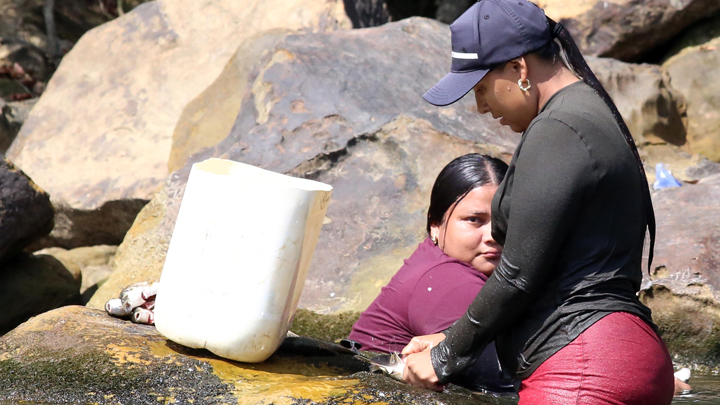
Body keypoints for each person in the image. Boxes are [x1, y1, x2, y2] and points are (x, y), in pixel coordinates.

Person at [401, 1, 676, 404]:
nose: (480, 107)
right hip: (617, 357)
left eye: (480, 88)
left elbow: (518, 274)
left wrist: (446, 356)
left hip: (583, 370)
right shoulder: (586, 112)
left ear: (519, 69)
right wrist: (452, 336)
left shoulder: (557, 130)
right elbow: (554, 274)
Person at [349, 153, 514, 392]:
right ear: (435, 223)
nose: (493, 236)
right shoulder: (448, 278)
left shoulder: (434, 260)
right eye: (474, 220)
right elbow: (500, 376)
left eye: (504, 220)